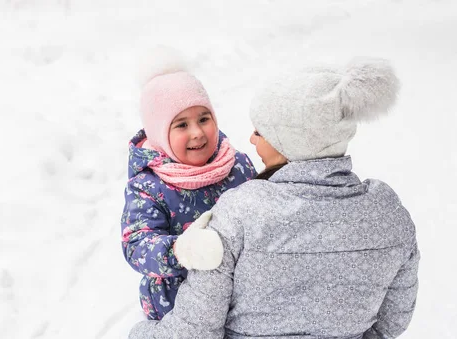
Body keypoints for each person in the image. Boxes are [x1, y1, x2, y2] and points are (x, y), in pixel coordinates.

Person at [128, 57, 420, 338]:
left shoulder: (240, 203)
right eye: (181, 124)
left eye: (260, 131)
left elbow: (196, 331)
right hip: (171, 295)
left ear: (288, 140)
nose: (252, 139)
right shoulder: (388, 212)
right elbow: (390, 322)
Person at [121, 47, 256, 321]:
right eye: (181, 125)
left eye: (204, 119)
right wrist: (181, 250)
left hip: (241, 300)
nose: (197, 132)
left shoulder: (237, 164)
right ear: (159, 132)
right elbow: (137, 245)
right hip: (179, 307)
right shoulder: (149, 186)